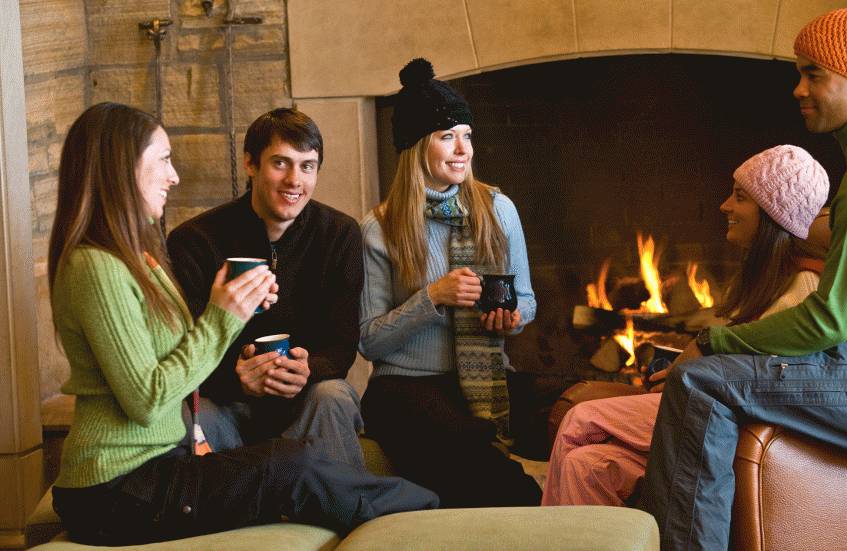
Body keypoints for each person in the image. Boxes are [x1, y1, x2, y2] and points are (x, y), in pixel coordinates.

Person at [638, 9, 847, 550]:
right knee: (712, 378)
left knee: (699, 381)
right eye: (799, 73)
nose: (798, 89)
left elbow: (829, 321)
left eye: (813, 74)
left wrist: (711, 341)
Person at [48, 102, 437, 546]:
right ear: (121, 167)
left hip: (153, 468)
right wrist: (226, 318)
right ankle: (425, 517)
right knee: (291, 468)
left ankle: (422, 517)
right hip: (117, 489)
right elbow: (149, 400)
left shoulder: (135, 258)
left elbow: (177, 358)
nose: (174, 176)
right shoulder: (96, 266)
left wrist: (235, 316)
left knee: (294, 461)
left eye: (307, 166)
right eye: (164, 160)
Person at [542, 145, 829, 506]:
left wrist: (693, 369)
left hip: (723, 418)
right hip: (704, 405)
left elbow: (764, 381)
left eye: (740, 197)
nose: (724, 206)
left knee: (579, 420)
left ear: (774, 213)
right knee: (587, 466)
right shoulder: (766, 280)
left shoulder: (803, 287)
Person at [358, 58, 542, 507]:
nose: (463, 150)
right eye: (446, 136)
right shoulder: (380, 228)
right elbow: (368, 341)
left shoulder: (498, 209)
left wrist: (512, 319)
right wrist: (432, 297)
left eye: (467, 135)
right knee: (489, 466)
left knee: (563, 422)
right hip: (404, 388)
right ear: (416, 146)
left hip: (485, 376)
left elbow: (527, 301)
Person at [167, 108, 366, 468]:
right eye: (280, 163)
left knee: (334, 395)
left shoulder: (339, 234)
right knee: (187, 415)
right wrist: (236, 378)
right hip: (224, 400)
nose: (294, 180)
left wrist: (309, 369)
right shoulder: (194, 241)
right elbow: (182, 348)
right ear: (250, 164)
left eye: (307, 166)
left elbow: (342, 345)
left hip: (305, 398)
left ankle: (341, 499)